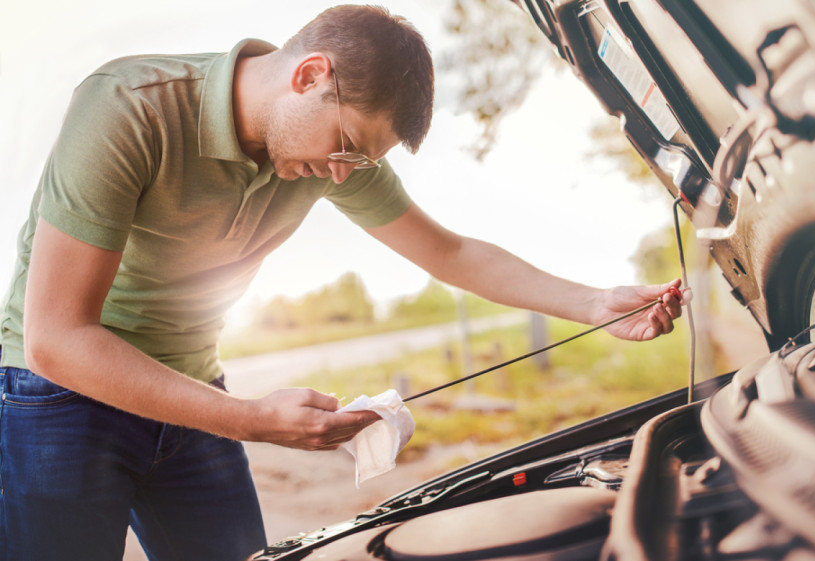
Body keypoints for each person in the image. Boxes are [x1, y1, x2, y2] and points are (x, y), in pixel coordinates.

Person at [0, 5, 685, 560]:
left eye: (358, 159)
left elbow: (451, 252)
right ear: (310, 76)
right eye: (345, 143)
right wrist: (251, 419)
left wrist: (595, 302)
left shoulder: (328, 156)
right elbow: (57, 338)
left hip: (192, 390)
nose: (341, 172)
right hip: (59, 396)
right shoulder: (129, 107)